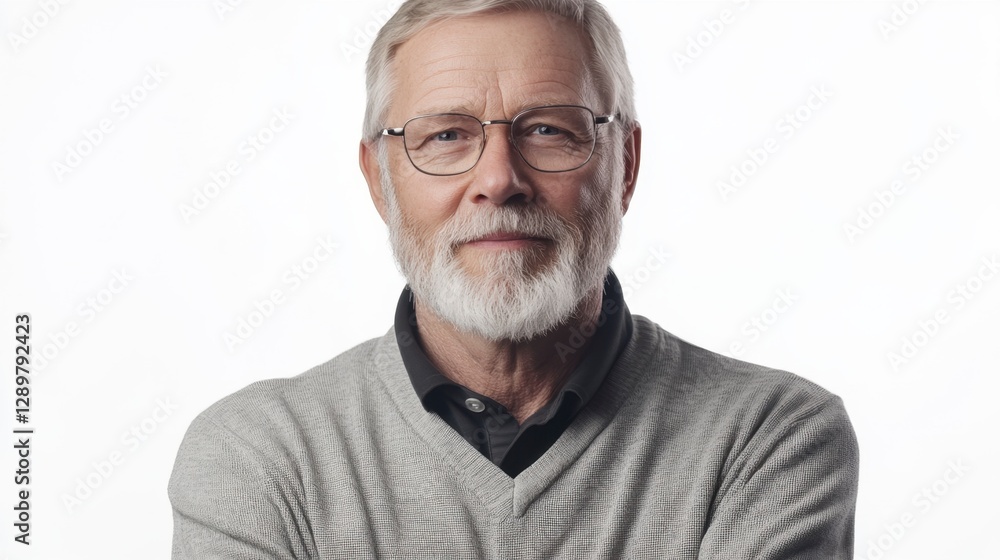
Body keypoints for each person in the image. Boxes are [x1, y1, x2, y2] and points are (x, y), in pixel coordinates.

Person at [168, 0, 859, 558]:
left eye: (550, 131)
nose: (499, 180)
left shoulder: (767, 439)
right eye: (445, 136)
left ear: (625, 167)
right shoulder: (263, 456)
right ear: (380, 182)